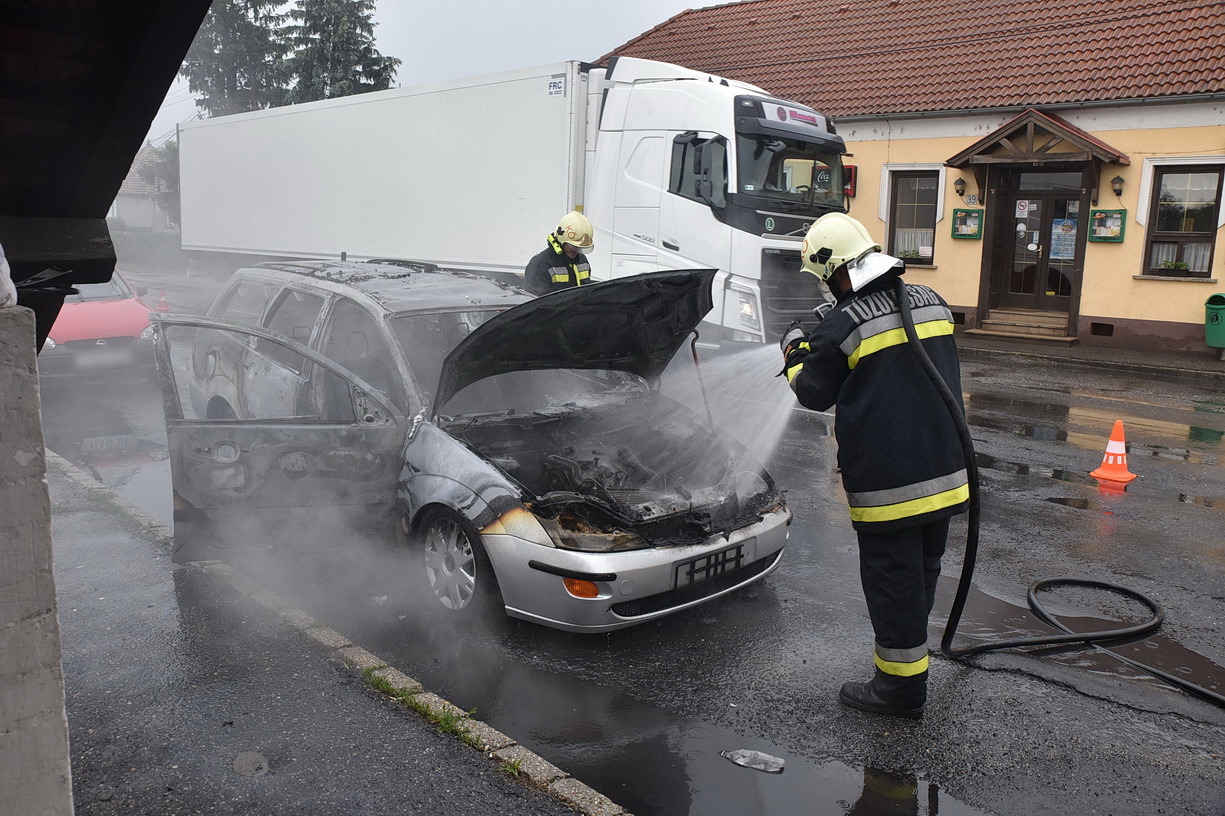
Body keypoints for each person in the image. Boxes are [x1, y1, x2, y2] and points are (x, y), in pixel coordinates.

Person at [779, 212, 968, 719]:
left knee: (892, 583)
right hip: (947, 472)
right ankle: (913, 657)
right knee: (921, 573)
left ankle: (900, 690)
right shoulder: (933, 301)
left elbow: (812, 392)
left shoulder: (844, 323)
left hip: (892, 484)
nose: (823, 287)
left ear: (835, 269)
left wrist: (796, 350)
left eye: (823, 277)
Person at [524, 211, 594, 295]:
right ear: (561, 240)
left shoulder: (582, 260)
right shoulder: (540, 265)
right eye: (572, 246)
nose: (575, 251)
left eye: (579, 248)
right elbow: (533, 303)